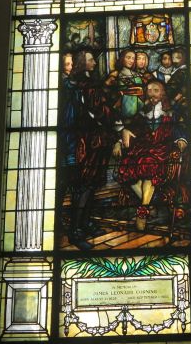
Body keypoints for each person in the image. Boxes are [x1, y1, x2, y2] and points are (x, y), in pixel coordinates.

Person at [114, 79, 187, 231]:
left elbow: (178, 127)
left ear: (162, 93)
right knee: (127, 167)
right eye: (149, 91)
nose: (152, 94)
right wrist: (120, 140)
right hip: (142, 148)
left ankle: (142, 211)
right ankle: (148, 205)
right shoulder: (142, 113)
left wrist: (181, 139)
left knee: (149, 165)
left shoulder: (171, 111)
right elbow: (132, 128)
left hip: (161, 149)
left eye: (156, 90)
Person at [63, 48, 117, 249]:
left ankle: (85, 223)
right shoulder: (83, 85)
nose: (94, 63)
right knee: (84, 184)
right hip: (86, 141)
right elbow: (99, 110)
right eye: (91, 60)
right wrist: (115, 121)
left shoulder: (86, 83)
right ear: (82, 63)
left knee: (92, 183)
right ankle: (75, 231)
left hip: (96, 139)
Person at [104, 49, 149, 121]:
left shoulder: (137, 74)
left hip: (139, 111)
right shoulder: (116, 74)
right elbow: (105, 90)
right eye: (128, 58)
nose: (131, 61)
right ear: (122, 58)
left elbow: (141, 91)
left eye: (133, 58)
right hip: (123, 112)